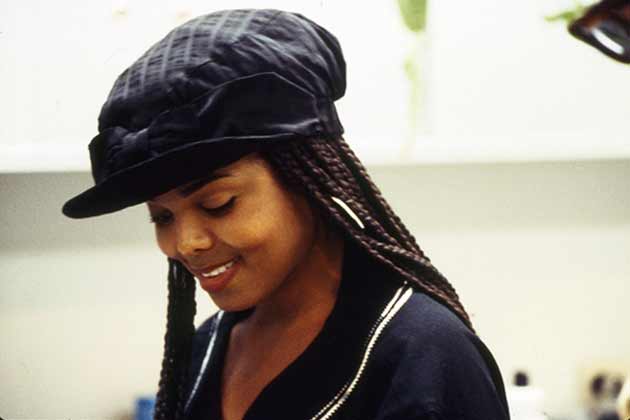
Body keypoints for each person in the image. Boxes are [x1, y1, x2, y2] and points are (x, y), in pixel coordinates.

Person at [61, 8, 511, 420]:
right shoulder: (203, 349)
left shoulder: (421, 355)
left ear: (307, 178)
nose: (186, 242)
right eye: (162, 217)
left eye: (218, 204)